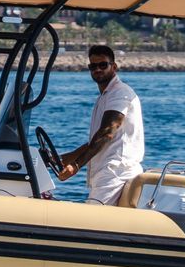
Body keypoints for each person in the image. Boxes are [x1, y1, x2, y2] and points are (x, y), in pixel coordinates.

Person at [55, 44, 144, 204]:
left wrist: (76, 165)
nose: (97, 69)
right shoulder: (106, 96)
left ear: (114, 67)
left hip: (115, 172)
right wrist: (66, 158)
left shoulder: (120, 93)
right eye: (93, 66)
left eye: (103, 65)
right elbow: (97, 139)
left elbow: (107, 133)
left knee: (90, 216)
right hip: (106, 172)